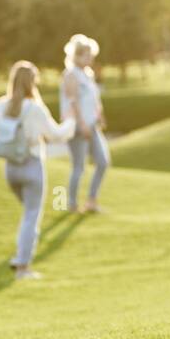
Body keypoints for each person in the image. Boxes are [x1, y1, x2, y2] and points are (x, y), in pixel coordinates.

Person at [0, 61, 75, 280]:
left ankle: (21, 258)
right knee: (31, 217)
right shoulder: (34, 108)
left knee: (28, 215)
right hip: (32, 167)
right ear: (31, 83)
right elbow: (57, 134)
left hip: (10, 170)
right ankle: (23, 267)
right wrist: (71, 120)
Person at [60, 34, 110, 214]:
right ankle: (71, 204)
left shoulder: (88, 74)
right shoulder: (71, 75)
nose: (90, 58)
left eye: (90, 55)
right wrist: (81, 124)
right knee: (79, 167)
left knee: (103, 162)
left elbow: (94, 99)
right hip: (78, 128)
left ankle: (91, 200)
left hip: (92, 126)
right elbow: (73, 102)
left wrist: (100, 115)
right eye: (86, 55)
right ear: (77, 55)